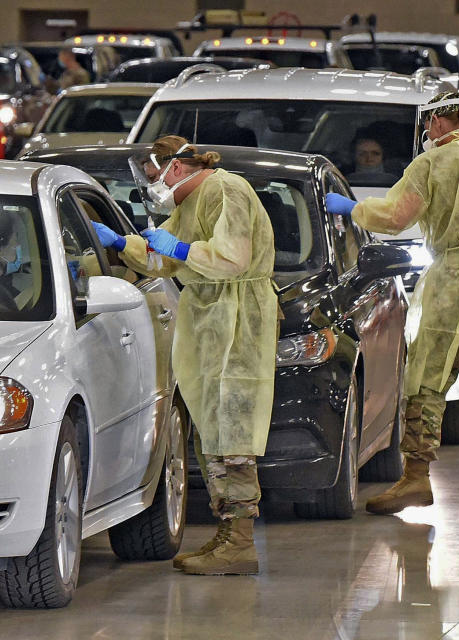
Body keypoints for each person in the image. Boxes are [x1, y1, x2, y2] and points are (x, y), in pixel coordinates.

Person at [326, 91, 459, 515]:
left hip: (458, 277)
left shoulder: (429, 164)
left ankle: (416, 477)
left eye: (428, 124)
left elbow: (394, 217)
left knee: (427, 373)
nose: (426, 132)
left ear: (439, 123)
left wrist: (353, 208)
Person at [91, 135, 278, 575]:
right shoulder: (189, 205)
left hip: (237, 324)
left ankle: (240, 542)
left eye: (154, 175)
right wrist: (121, 244)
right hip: (213, 321)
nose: (153, 184)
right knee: (214, 431)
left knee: (232, 434)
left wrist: (177, 249)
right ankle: (229, 533)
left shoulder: (226, 190)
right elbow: (160, 259)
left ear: (175, 167)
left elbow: (231, 259)